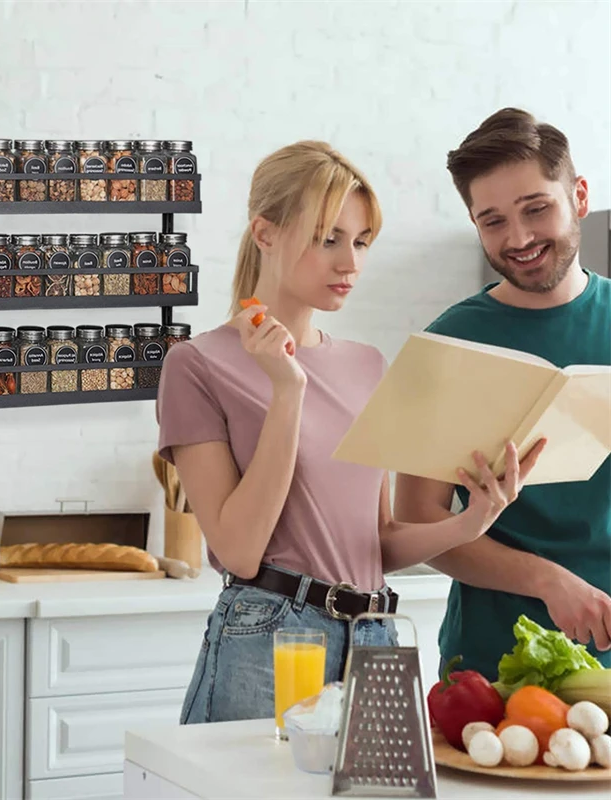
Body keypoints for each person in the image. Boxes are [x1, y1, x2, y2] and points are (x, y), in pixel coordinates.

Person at [156, 140, 544, 725]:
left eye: (361, 242)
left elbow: (376, 541)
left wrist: (471, 521)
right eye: (327, 238)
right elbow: (237, 550)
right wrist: (287, 393)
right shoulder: (198, 364)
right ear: (265, 233)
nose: (350, 263)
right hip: (272, 635)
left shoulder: (366, 365)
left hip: (378, 638)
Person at [394, 109, 611, 680]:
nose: (518, 239)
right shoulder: (447, 345)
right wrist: (546, 579)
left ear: (579, 196)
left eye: (536, 209)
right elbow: (417, 525)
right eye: (492, 221)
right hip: (492, 668)